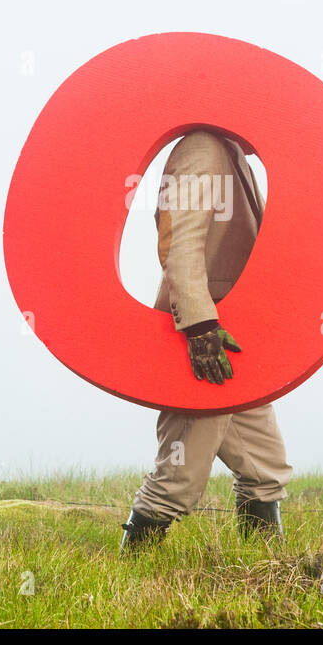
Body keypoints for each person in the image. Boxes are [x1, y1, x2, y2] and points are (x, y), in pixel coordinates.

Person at [119, 128, 293, 552]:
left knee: (264, 467)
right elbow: (180, 243)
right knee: (180, 475)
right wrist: (199, 327)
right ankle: (131, 574)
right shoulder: (202, 149)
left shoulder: (233, 152)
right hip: (206, 340)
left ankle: (264, 572)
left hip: (233, 338)